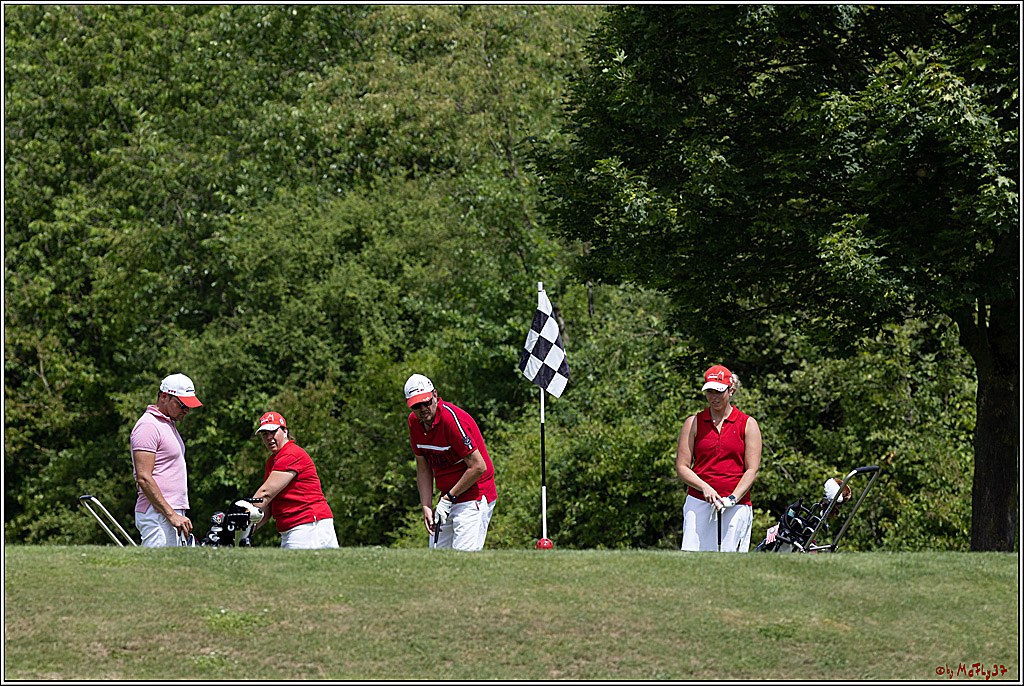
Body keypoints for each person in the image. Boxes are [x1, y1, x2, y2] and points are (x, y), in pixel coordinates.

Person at [405, 373, 497, 551]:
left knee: (464, 560)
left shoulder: (451, 420)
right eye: (417, 405)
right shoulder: (414, 423)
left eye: (426, 401)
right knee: (437, 559)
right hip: (447, 497)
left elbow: (478, 466)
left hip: (474, 495)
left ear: (435, 395)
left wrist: (448, 498)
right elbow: (423, 469)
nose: (423, 408)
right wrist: (426, 506)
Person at [676, 364, 762, 552]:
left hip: (736, 504)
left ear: (731, 390)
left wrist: (732, 498)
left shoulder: (747, 423)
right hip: (699, 501)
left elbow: (752, 470)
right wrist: (704, 487)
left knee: (731, 562)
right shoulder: (694, 422)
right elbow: (682, 467)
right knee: (694, 559)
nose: (714, 397)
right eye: (710, 392)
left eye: (719, 391)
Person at [130, 373, 202, 547]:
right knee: (155, 572)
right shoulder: (148, 426)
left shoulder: (167, 425)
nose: (187, 410)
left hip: (169, 513)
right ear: (164, 397)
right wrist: (171, 514)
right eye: (183, 405)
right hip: (158, 514)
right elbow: (144, 478)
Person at [250, 411, 339, 549]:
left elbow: (266, 493)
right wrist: (248, 528)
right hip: (297, 527)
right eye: (264, 434)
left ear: (285, 431)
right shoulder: (273, 461)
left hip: (309, 526)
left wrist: (241, 514)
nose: (269, 438)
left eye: (273, 432)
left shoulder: (291, 453)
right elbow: (268, 505)